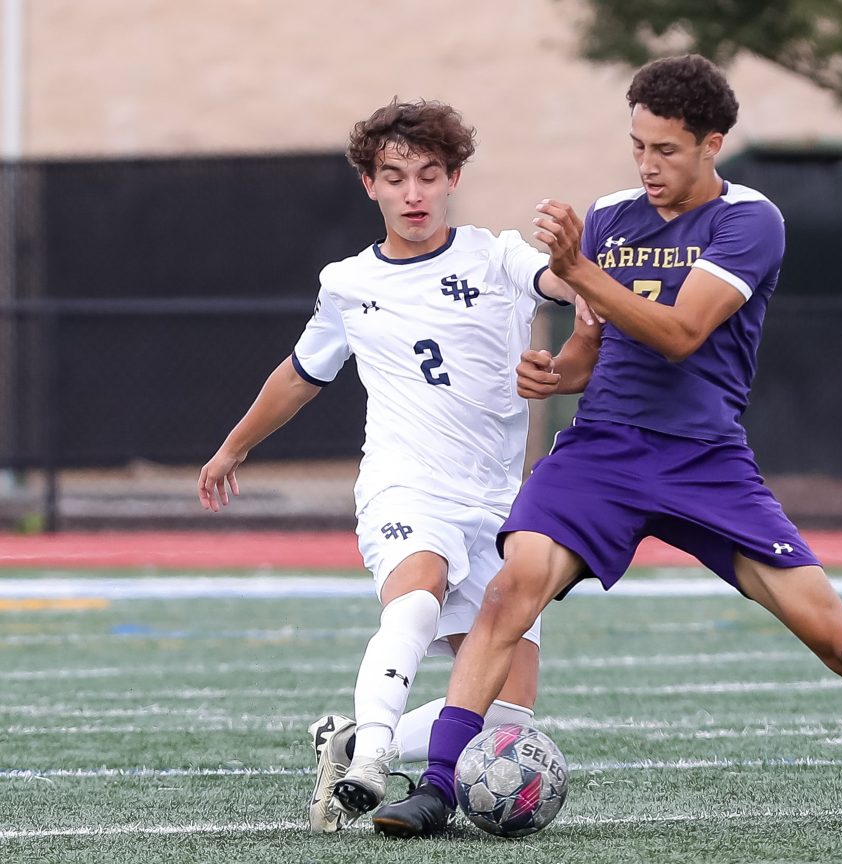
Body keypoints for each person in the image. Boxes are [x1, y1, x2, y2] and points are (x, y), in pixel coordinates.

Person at [370, 55, 842, 838]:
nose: (647, 165)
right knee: (512, 593)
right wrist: (556, 371)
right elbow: (592, 344)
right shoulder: (611, 215)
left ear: (712, 144)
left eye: (667, 149)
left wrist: (579, 267)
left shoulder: (751, 220)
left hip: (702, 461)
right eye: (638, 145)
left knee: (840, 641)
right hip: (601, 452)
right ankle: (436, 789)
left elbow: (681, 333)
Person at [196, 98, 582, 833]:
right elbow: (301, 373)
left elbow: (566, 287)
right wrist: (233, 446)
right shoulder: (346, 282)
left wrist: (577, 268)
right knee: (418, 589)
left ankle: (345, 740)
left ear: (453, 179)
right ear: (368, 184)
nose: (413, 194)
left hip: (499, 502)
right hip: (404, 483)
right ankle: (374, 758)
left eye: (429, 176)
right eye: (395, 177)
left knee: (509, 710)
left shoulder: (496, 256)